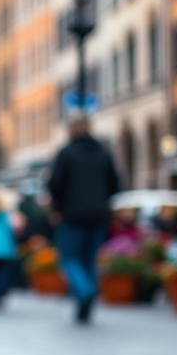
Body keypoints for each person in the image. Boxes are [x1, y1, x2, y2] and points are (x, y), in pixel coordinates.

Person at [48, 117, 120, 323]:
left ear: (71, 130)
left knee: (69, 258)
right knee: (89, 259)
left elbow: (55, 184)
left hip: (72, 214)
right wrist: (101, 200)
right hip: (98, 214)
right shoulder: (103, 152)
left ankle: (86, 291)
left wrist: (58, 207)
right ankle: (85, 304)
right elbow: (115, 183)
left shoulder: (66, 153)